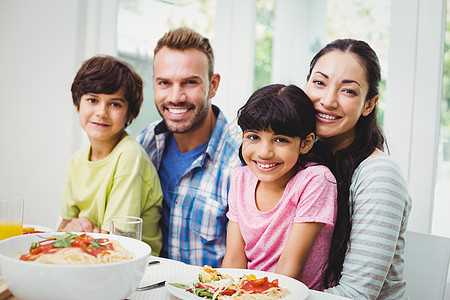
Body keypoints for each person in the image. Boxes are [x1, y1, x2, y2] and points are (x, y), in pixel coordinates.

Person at [304, 39, 412, 299]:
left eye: (348, 91)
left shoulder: (379, 175)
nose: (328, 101)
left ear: (369, 104)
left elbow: (356, 295)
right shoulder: (303, 160)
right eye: (319, 82)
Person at [136, 27, 241, 267]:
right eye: (164, 82)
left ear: (213, 85)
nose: (176, 96)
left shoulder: (241, 159)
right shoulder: (146, 143)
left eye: (190, 83)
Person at [222, 84, 339, 291]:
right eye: (253, 137)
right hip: (247, 295)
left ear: (306, 143)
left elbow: (289, 269)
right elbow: (233, 261)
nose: (264, 152)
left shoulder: (315, 180)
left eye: (280, 140)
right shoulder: (241, 178)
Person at [58, 55, 163, 256]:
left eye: (115, 104)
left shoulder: (129, 156)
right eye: (92, 100)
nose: (101, 112)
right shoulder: (77, 161)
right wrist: (77, 230)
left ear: (129, 114)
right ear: (77, 105)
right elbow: (63, 228)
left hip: (139, 269)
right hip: (92, 261)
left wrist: (80, 233)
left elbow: (115, 242)